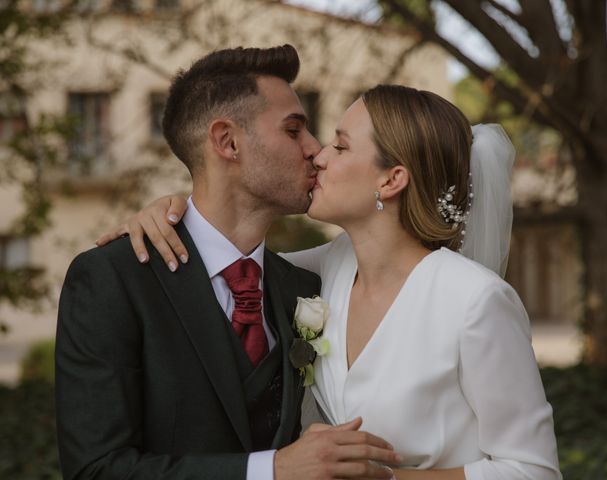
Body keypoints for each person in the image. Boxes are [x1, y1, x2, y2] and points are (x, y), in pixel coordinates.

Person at [99, 87, 563, 478]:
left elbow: (534, 469)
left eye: (340, 147)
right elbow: (225, 262)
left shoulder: (475, 301)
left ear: (391, 179)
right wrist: (168, 215)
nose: (318, 156)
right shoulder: (323, 271)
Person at [56, 45, 404, 480]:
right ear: (228, 141)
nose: (315, 151)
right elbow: (96, 470)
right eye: (294, 129)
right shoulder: (114, 278)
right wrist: (271, 470)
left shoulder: (305, 285)